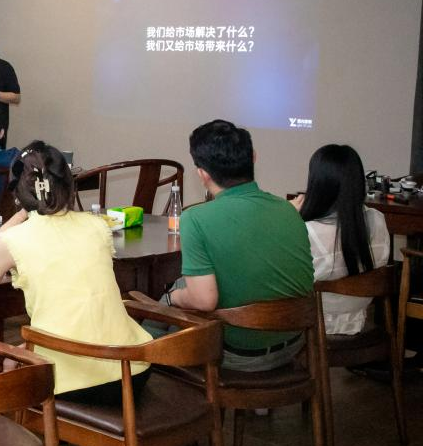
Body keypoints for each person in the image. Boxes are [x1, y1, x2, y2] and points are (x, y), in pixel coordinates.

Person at [0, 141, 151, 446]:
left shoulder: (18, 239)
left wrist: (20, 215)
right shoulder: (96, 226)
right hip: (132, 371)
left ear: (19, 193)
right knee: (37, 351)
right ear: (68, 184)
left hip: (75, 384)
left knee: (17, 362)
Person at [164, 119, 313, 371]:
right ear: (253, 158)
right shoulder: (287, 209)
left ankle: (138, 368)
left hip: (236, 355)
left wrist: (171, 297)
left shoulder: (195, 219)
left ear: (202, 174)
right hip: (294, 344)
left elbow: (204, 301)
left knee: (174, 296)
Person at [293, 144, 392, 335]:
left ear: (318, 185)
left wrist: (288, 217)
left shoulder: (307, 232)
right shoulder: (377, 220)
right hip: (359, 322)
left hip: (314, 329)